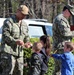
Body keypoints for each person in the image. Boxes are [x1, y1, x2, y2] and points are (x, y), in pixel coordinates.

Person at [0, 4, 32, 75]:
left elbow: (26, 36)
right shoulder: (9, 22)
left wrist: (27, 43)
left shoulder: (24, 24)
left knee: (20, 72)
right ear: (18, 11)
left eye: (25, 15)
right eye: (22, 14)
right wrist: (15, 41)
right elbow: (6, 36)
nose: (24, 16)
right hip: (8, 52)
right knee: (8, 72)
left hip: (19, 53)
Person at [52, 5, 74, 75]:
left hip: (63, 47)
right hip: (61, 47)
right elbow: (65, 33)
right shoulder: (60, 19)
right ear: (67, 10)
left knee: (60, 69)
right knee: (60, 70)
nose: (70, 15)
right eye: (70, 13)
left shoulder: (63, 19)